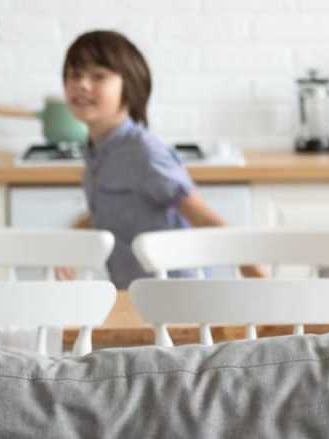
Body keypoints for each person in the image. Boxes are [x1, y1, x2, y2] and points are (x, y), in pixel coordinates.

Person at [63, 30, 264, 287]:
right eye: (74, 75)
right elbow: (111, 210)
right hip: (136, 293)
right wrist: (71, 242)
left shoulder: (144, 152)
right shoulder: (97, 150)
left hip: (177, 295)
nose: (82, 84)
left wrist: (257, 276)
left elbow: (203, 217)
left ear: (130, 86)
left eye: (98, 76)